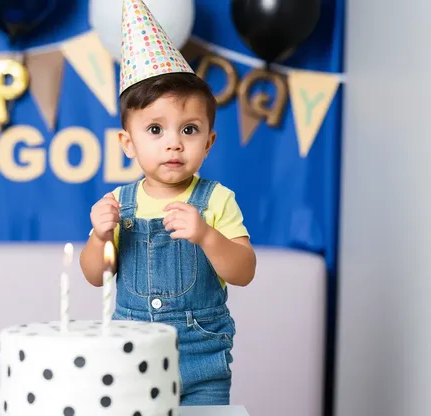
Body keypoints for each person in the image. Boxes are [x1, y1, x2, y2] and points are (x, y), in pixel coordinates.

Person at [79, 0, 256, 406]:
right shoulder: (118, 204)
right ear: (128, 143)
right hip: (131, 362)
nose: (173, 142)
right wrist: (99, 238)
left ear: (208, 143)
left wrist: (208, 236)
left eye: (189, 129)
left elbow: (244, 271)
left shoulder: (216, 200)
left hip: (203, 363)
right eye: (155, 129)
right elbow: (95, 275)